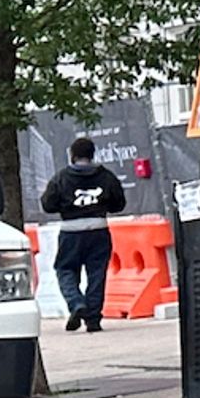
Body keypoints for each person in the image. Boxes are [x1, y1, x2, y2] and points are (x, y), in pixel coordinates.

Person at [39, 136, 126, 333]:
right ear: (92, 155)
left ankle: (76, 303)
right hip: (99, 229)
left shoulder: (61, 177)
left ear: (72, 156)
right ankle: (93, 319)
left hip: (71, 231)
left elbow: (47, 204)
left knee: (65, 270)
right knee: (97, 273)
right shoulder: (106, 176)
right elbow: (119, 204)